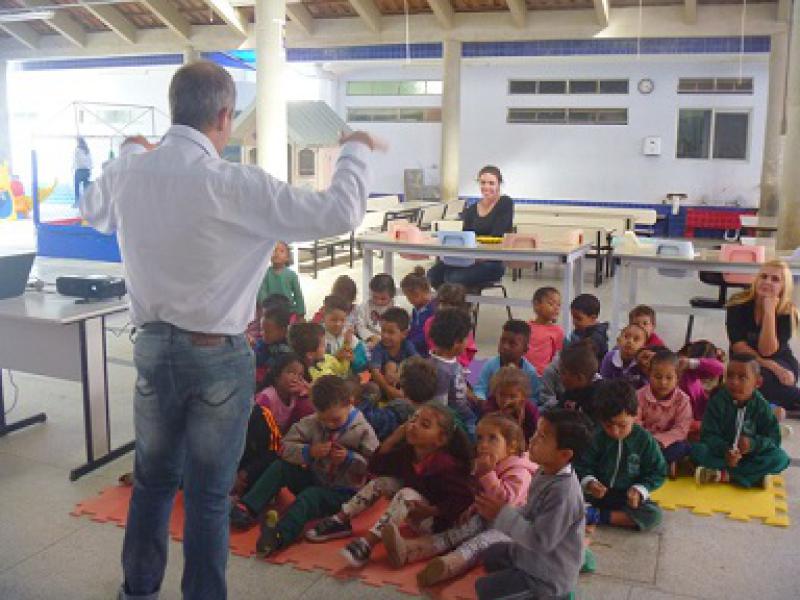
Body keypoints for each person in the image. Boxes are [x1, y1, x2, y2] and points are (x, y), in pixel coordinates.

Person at [79, 61, 379, 599]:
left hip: (152, 349)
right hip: (216, 356)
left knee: (152, 482)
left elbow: (91, 210)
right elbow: (340, 211)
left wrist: (126, 153)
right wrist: (354, 150)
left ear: (174, 108)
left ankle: (138, 591)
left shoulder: (131, 173)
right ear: (224, 116)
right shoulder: (235, 184)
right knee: (208, 496)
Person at [229, 375, 379, 557]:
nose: (329, 425)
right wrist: (309, 451)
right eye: (323, 419)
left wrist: (350, 458)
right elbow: (283, 447)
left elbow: (376, 468)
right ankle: (248, 507)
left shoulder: (363, 430)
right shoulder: (313, 422)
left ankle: (278, 535)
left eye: (335, 420)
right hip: (316, 478)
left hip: (345, 494)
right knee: (280, 467)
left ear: (350, 403)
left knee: (310, 496)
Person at [384, 414, 536, 585]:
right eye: (480, 438)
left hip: (509, 529)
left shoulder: (520, 472)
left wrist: (487, 474)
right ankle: (409, 550)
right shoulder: (490, 466)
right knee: (456, 533)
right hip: (485, 518)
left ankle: (448, 566)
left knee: (479, 543)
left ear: (512, 446)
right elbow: (481, 494)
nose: (483, 444)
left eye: (492, 438)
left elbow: (505, 503)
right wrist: (472, 508)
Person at [471, 409, 592, 600]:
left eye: (542, 437)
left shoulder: (563, 493)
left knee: (483, 590)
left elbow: (539, 541)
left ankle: (552, 594)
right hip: (528, 555)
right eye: (536, 432)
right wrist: (498, 512)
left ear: (564, 454)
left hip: (546, 576)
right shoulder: (544, 470)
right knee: (491, 555)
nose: (532, 439)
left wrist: (502, 514)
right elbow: (530, 511)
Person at [334, 403, 475, 567]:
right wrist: (395, 436)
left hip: (436, 522)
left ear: (441, 439)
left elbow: (463, 500)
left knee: (406, 493)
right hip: (412, 513)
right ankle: (339, 519)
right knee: (381, 483)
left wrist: (431, 511)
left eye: (424, 425)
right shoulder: (408, 452)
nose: (414, 426)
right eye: (413, 420)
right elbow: (376, 467)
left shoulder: (447, 465)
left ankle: (367, 544)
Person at [578, 380, 666, 532]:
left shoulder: (644, 440)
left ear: (635, 415)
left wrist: (639, 490)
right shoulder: (595, 436)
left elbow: (658, 471)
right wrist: (590, 482)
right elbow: (581, 465)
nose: (615, 431)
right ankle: (588, 512)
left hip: (627, 497)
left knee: (653, 515)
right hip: (596, 494)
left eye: (622, 425)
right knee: (563, 498)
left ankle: (597, 516)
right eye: (608, 425)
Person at [692, 354, 790, 488]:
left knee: (780, 458)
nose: (734, 382)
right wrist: (725, 451)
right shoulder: (717, 402)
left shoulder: (761, 406)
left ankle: (725, 475)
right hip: (723, 455)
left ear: (757, 383)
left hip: (752, 456)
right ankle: (753, 477)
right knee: (697, 450)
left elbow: (773, 439)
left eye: (742, 378)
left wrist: (753, 444)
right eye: (730, 376)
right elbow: (708, 435)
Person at [726, 260, 800, 412]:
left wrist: (769, 312)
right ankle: (789, 400)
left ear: (783, 287)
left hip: (781, 360)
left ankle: (767, 405)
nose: (767, 282)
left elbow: (768, 351)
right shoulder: (737, 303)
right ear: (757, 279)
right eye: (763, 276)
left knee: (761, 380)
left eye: (775, 279)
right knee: (753, 378)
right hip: (747, 360)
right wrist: (773, 367)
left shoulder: (788, 312)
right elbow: (739, 347)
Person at [234, 353, 312, 496]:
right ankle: (242, 477)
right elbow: (253, 427)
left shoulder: (295, 398)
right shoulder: (267, 396)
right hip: (253, 445)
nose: (295, 378)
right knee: (273, 456)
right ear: (276, 376)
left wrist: (309, 391)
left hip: (273, 445)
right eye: (291, 372)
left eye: (300, 375)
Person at [427, 165, 514, 289]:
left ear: (499, 184)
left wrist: (478, 255)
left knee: (452, 278)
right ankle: (448, 300)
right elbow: (464, 237)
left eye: (491, 183)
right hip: (469, 258)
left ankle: (457, 299)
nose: (486, 187)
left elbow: (498, 236)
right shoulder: (472, 209)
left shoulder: (505, 203)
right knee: (433, 275)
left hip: (492, 262)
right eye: (483, 183)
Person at [636, 349, 693, 479]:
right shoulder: (639, 396)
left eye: (669, 378)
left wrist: (660, 441)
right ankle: (662, 465)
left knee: (683, 447)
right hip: (643, 442)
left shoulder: (683, 400)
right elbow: (635, 423)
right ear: (649, 375)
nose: (663, 382)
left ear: (677, 378)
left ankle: (655, 464)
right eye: (657, 377)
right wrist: (649, 441)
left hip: (667, 445)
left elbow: (681, 429)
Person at [358, 356, 439, 441]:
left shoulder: (398, 411)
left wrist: (369, 395)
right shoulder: (431, 412)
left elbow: (365, 421)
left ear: (403, 384)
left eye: (397, 372)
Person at [429, 308, 478, 439]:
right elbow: (440, 408)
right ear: (457, 342)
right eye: (467, 338)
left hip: (466, 408)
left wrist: (469, 394)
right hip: (459, 418)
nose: (468, 343)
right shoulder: (440, 370)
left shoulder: (451, 359)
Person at [474, 319, 542, 408]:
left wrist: (519, 407)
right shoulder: (490, 365)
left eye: (512, 344)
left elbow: (534, 398)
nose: (505, 346)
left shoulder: (530, 372)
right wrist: (482, 400)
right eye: (502, 341)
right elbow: (480, 388)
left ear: (525, 349)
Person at [422, 283, 478, 368]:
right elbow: (434, 347)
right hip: (439, 362)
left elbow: (470, 350)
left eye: (452, 304)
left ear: (461, 306)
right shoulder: (430, 323)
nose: (447, 308)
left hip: (461, 365)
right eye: (443, 303)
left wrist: (461, 364)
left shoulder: (464, 322)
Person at [369, 307, 418, 401]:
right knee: (390, 366)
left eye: (391, 332)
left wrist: (400, 378)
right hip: (382, 386)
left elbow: (418, 364)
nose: (385, 335)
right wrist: (390, 390)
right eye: (383, 330)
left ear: (404, 334)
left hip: (402, 385)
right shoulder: (379, 348)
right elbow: (375, 372)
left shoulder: (407, 346)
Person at [482, 365, 539, 441]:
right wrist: (502, 416)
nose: (506, 401)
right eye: (502, 395)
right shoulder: (490, 408)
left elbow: (535, 438)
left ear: (523, 397)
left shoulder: (530, 410)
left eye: (512, 396)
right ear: (495, 393)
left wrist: (520, 421)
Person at [257, 241, 305, 320]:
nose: (277, 253)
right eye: (274, 250)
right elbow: (262, 293)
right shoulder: (264, 274)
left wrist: (301, 313)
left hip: (289, 311)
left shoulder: (292, 275)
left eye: (281, 251)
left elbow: (298, 295)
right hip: (271, 311)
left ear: (287, 257)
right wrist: (266, 308)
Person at [527, 286, 564, 375]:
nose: (556, 308)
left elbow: (558, 356)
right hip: (523, 373)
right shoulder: (526, 327)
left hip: (543, 376)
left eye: (558, 305)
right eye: (551, 304)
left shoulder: (557, 331)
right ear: (536, 305)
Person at [599, 323, 649, 389]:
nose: (630, 341)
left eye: (636, 339)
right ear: (618, 340)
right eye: (626, 337)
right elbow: (603, 382)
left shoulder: (643, 362)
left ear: (643, 347)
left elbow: (647, 386)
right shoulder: (610, 357)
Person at [400, 266, 436, 356]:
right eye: (408, 297)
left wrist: (409, 342)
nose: (411, 300)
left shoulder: (433, 310)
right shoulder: (416, 309)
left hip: (427, 349)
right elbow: (413, 328)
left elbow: (427, 334)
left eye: (415, 296)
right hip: (414, 345)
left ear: (426, 291)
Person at [355, 273, 396, 349]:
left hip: (390, 341)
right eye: (374, 297)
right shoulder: (364, 307)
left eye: (383, 299)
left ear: (392, 295)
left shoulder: (396, 308)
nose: (378, 301)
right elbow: (360, 326)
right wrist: (371, 337)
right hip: (370, 340)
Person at [565, 293, 609, 364]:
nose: (574, 321)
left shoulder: (596, 338)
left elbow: (583, 358)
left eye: (578, 318)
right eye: (573, 317)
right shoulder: (582, 330)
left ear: (593, 317)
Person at [73, 136, 92, 206]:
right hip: (87, 171)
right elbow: (90, 161)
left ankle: (77, 202)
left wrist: (74, 167)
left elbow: (77, 160)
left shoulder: (77, 149)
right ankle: (86, 202)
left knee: (76, 186)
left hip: (79, 170)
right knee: (86, 187)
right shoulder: (87, 150)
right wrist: (89, 170)